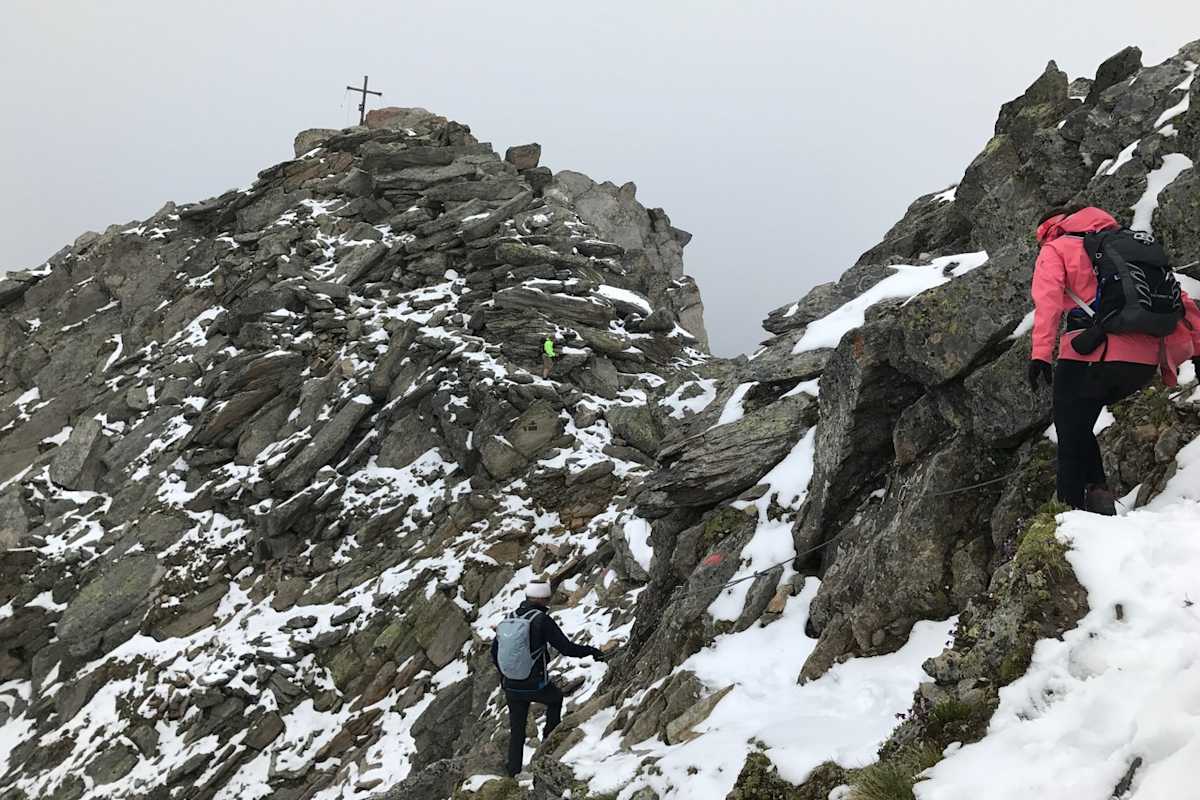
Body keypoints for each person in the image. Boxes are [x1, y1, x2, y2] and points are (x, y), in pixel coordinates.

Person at [1028, 206, 1200, 513]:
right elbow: (1179, 298)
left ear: (1046, 230)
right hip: (1143, 364)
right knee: (1079, 426)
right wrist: (1198, 348)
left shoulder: (1056, 248)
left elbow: (1048, 302)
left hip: (1094, 355)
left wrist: (1041, 354)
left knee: (1069, 431)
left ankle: (1068, 518)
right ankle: (1098, 497)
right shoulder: (1127, 245)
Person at [491, 580, 605, 777]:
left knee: (517, 730)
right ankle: (547, 746)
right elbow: (567, 649)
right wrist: (592, 651)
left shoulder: (508, 620)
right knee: (555, 699)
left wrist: (505, 678)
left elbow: (494, 653)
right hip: (535, 684)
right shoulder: (541, 620)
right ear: (543, 599)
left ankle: (513, 772)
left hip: (511, 686)